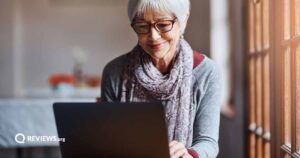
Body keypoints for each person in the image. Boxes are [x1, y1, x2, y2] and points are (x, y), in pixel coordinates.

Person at [101, 0, 222, 157]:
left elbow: (208, 142)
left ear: (183, 20)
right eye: (142, 26)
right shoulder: (114, 72)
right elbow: (108, 138)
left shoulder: (206, 72)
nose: (153, 36)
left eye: (164, 25)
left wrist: (188, 154)